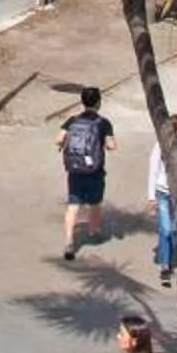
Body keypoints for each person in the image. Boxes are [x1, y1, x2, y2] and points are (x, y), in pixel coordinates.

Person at [59, 85, 114, 261]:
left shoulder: (72, 121)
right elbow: (112, 145)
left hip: (75, 169)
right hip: (94, 171)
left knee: (73, 206)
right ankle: (93, 230)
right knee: (95, 203)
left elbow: (58, 138)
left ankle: (69, 241)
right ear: (98, 103)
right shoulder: (103, 123)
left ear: (82, 101)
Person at [148, 131, 177, 288]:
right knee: (166, 230)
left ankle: (170, 257)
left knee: (174, 231)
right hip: (162, 193)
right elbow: (153, 171)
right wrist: (151, 197)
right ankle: (165, 266)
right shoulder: (160, 147)